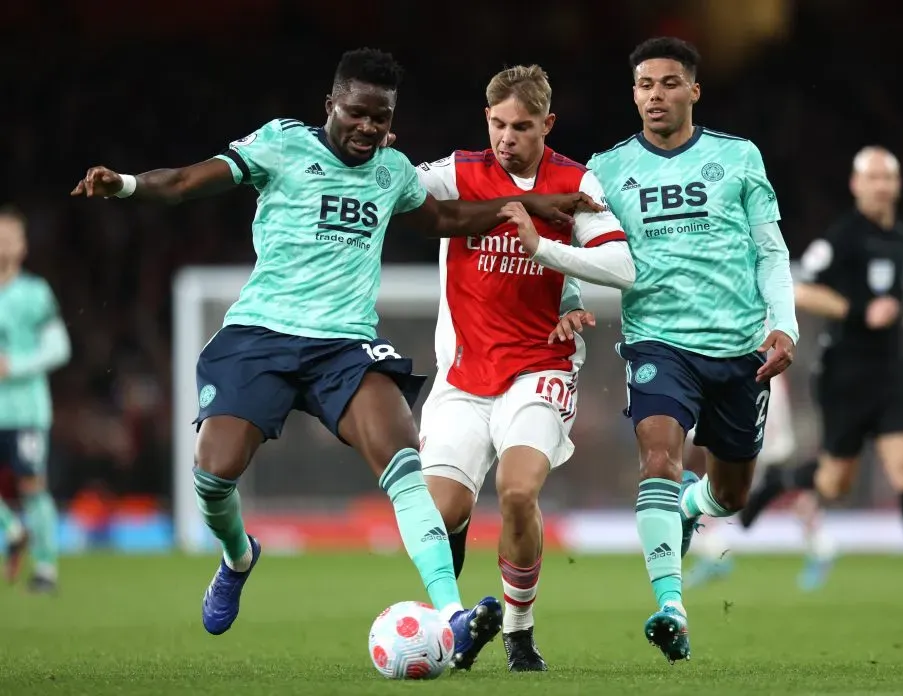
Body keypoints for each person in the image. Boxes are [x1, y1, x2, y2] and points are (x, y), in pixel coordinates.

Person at [70, 48, 600, 668]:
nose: (368, 129)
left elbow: (447, 217)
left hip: (344, 345)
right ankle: (239, 555)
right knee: (213, 474)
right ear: (331, 105)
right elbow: (187, 181)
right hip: (262, 335)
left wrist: (528, 206)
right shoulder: (281, 146)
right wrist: (127, 185)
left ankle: (452, 617)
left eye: (381, 118)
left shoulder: (392, 172)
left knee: (404, 460)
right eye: (357, 114)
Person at [578, 37, 799, 663]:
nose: (656, 95)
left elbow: (771, 251)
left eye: (670, 83)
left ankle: (692, 510)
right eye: (645, 84)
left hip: (739, 346)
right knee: (658, 459)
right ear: (634, 94)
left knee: (730, 494)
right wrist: (570, 294)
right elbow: (580, 236)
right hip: (658, 340)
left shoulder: (738, 158)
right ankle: (671, 605)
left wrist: (784, 325)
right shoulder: (610, 168)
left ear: (693, 90)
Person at [414, 64, 634, 672]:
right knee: (438, 515)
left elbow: (621, 267)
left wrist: (544, 248)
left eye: (522, 126)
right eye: (498, 125)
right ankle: (456, 624)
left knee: (517, 492)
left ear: (548, 124)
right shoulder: (457, 173)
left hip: (539, 368)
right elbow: (393, 188)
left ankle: (518, 630)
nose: (507, 138)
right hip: (461, 377)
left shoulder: (574, 181)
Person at [739, 146, 903, 616]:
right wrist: (858, 312)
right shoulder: (843, 237)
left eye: (887, 178)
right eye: (872, 178)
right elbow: (802, 287)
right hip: (845, 376)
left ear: (897, 184)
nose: (881, 186)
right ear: (856, 185)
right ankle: (778, 482)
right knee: (833, 484)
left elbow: (886, 300)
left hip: (891, 373)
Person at [682, 373, 838, 591]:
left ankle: (714, 554)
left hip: (747, 395)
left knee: (775, 483)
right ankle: (713, 552)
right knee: (774, 484)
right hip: (743, 391)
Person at [0, 205, 71, 594]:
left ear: (23, 246)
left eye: (12, 236)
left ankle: (46, 569)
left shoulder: (34, 293)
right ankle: (12, 530)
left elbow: (60, 347)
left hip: (25, 409)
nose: (5, 243)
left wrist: (16, 365)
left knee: (32, 486)